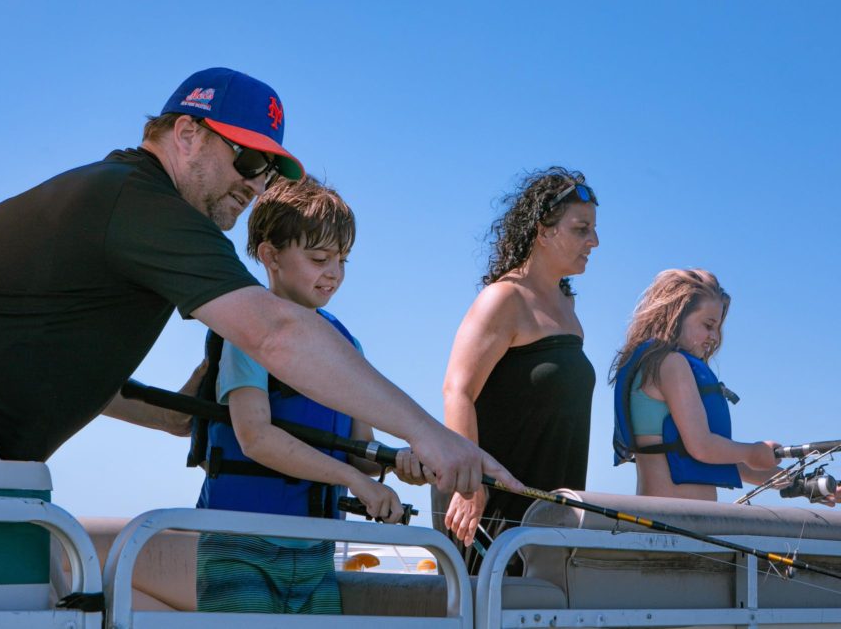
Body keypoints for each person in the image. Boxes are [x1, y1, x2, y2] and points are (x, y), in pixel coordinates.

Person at [0, 66, 515, 497]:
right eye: (247, 158)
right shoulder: (138, 200)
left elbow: (129, 400)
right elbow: (275, 332)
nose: (256, 184)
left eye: (269, 171)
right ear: (186, 133)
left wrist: (387, 456)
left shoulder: (130, 210)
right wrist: (437, 435)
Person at [193, 176, 425, 614]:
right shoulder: (246, 330)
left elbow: (361, 453)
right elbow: (255, 437)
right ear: (270, 256)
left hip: (316, 554)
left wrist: (400, 462)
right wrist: (354, 481)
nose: (334, 272)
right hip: (241, 547)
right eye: (320, 258)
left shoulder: (345, 345)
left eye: (342, 260)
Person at [434, 167, 599, 574]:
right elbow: (457, 391)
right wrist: (470, 485)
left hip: (547, 513)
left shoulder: (568, 309)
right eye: (581, 230)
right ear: (544, 231)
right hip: (489, 506)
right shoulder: (504, 298)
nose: (594, 242)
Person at [611, 269, 783, 501]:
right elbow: (702, 447)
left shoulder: (651, 363)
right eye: (708, 325)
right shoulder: (672, 364)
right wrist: (752, 451)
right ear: (675, 315)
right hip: (674, 522)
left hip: (664, 516)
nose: (715, 337)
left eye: (718, 328)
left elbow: (721, 460)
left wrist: (803, 484)